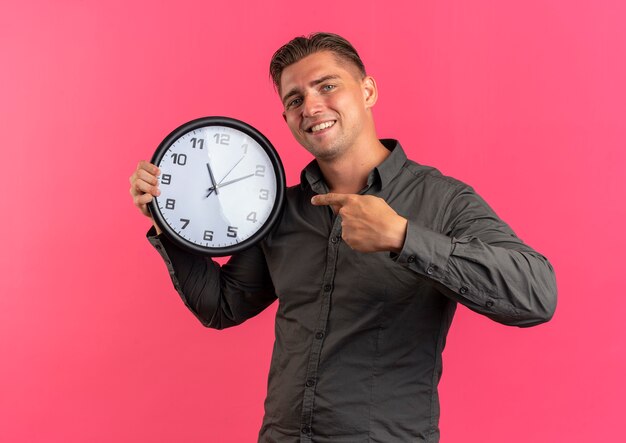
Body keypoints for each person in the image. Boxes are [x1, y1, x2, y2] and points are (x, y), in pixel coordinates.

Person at [129, 33, 557, 443]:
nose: (311, 106)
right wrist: (168, 217)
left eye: (327, 85)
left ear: (368, 91)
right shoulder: (279, 211)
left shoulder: (443, 200)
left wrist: (404, 238)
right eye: (295, 99)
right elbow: (222, 306)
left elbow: (536, 295)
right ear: (287, 119)